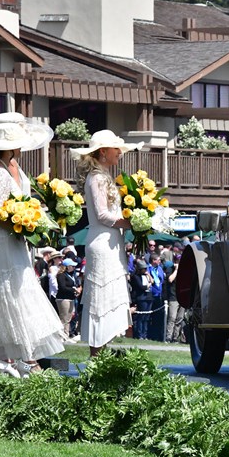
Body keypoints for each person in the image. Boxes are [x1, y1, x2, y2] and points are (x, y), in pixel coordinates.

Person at [0, 119, 64, 377]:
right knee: (8, 297)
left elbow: (23, 202)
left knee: (18, 295)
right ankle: (24, 359)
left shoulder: (14, 167)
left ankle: (10, 360)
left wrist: (37, 219)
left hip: (14, 243)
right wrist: (24, 225)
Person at [71, 129, 141, 357]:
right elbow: (102, 215)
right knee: (101, 297)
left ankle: (103, 349)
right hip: (102, 241)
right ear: (103, 152)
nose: (119, 152)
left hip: (111, 241)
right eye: (115, 149)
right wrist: (129, 223)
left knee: (110, 295)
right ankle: (96, 352)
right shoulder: (97, 178)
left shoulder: (104, 176)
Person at [56, 258, 80, 341]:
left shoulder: (71, 275)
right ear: (67, 267)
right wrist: (73, 289)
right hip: (63, 298)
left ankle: (66, 334)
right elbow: (62, 287)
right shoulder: (61, 275)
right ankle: (61, 336)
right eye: (72, 266)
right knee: (64, 318)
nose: (73, 268)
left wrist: (75, 290)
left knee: (69, 318)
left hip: (70, 298)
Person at [130, 259, 153, 339]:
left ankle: (145, 334)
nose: (146, 270)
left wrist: (148, 275)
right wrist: (148, 285)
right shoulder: (136, 277)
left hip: (149, 297)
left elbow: (152, 281)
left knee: (146, 317)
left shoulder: (146, 275)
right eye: (144, 269)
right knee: (141, 317)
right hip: (141, 298)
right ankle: (139, 334)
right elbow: (141, 286)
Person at [164, 254, 184, 343]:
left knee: (179, 318)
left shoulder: (185, 269)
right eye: (178, 260)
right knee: (172, 318)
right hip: (173, 297)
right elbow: (170, 279)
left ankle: (176, 338)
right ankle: (168, 337)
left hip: (182, 297)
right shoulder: (170, 269)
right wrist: (176, 269)